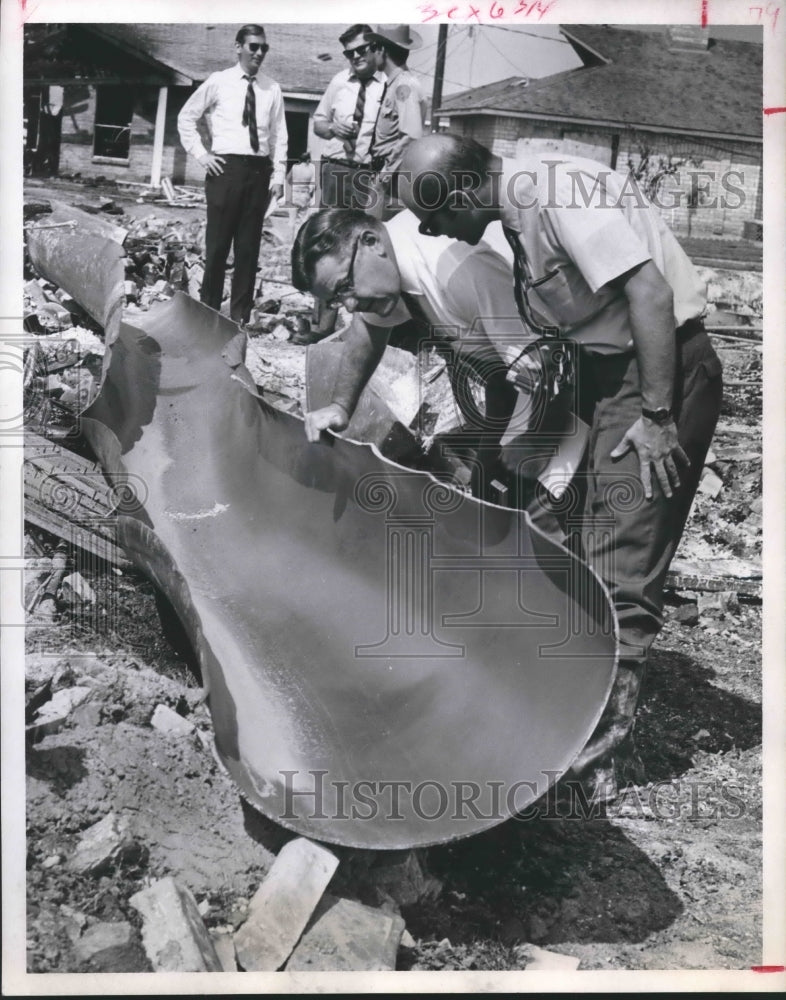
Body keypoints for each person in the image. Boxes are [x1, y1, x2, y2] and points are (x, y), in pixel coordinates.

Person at [398, 133, 723, 797]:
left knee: (622, 547)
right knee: (579, 537)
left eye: (434, 217)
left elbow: (650, 294)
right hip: (607, 372)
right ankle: (562, 712)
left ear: (462, 191)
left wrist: (659, 417)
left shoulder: (555, 191)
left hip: (656, 368)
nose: (431, 231)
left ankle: (596, 753)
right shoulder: (516, 215)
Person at [291, 208, 539, 467]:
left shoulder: (460, 273)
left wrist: (534, 440)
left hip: (558, 375)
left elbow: (549, 363)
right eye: (336, 300)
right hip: (503, 373)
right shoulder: (389, 258)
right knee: (489, 477)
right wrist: (340, 406)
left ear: (370, 242)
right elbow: (368, 331)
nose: (350, 306)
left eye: (344, 287)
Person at [177, 24, 288, 325]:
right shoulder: (219, 81)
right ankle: (207, 315)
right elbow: (186, 117)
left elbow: (280, 137)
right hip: (226, 171)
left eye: (263, 47)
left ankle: (239, 319)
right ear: (238, 47)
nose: (259, 53)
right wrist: (201, 155)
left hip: (258, 173)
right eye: (253, 46)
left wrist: (278, 177)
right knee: (216, 248)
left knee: (248, 251)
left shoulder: (272, 88)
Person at [310, 24, 387, 337]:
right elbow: (318, 121)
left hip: (368, 175)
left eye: (361, 50)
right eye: (349, 52)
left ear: (376, 49)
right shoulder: (339, 81)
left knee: (363, 250)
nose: (355, 56)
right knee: (326, 245)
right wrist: (331, 129)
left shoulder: (389, 86)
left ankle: (357, 331)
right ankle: (321, 327)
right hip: (336, 170)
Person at [364, 25, 427, 219]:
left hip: (392, 181)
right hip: (386, 175)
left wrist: (384, 175)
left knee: (380, 238)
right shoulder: (397, 84)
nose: (370, 53)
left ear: (382, 50)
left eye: (373, 47)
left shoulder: (404, 85)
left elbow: (411, 135)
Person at [286, 152, 316, 241]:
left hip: (294, 193)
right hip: (304, 194)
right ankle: (298, 240)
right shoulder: (311, 169)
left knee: (291, 220)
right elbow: (313, 185)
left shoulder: (294, 167)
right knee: (302, 220)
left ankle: (289, 241)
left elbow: (288, 179)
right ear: (308, 160)